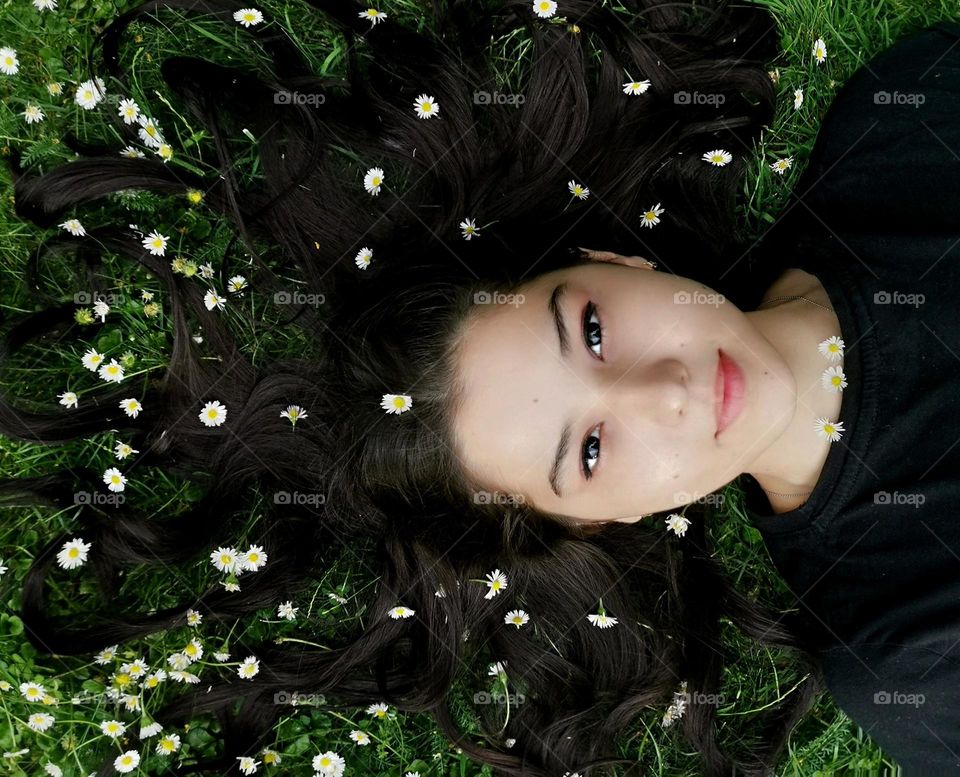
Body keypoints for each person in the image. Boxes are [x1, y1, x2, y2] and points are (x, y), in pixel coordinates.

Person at [2, 0, 957, 773]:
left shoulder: (906, 120)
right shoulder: (912, 648)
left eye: (591, 328)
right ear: (599, 521)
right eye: (587, 451)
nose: (665, 392)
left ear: (613, 256)